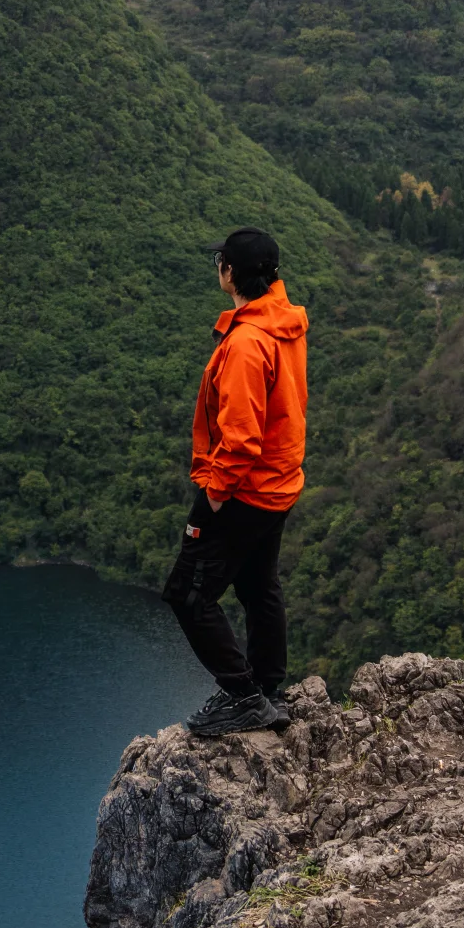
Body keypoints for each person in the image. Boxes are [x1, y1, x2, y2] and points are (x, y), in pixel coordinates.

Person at [163, 227, 308, 737]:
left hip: (244, 489)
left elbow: (242, 440)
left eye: (219, 261)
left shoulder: (247, 343)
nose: (217, 269)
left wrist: (214, 496)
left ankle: (245, 697)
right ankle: (267, 690)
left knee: (187, 594)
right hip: (278, 484)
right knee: (257, 586)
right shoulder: (283, 323)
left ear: (230, 272)